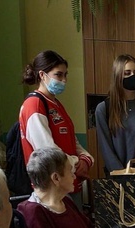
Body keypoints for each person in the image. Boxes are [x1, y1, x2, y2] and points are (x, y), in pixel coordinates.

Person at [19, 50, 94, 196]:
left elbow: (73, 141)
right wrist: (76, 163)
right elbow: (48, 151)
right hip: (52, 189)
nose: (64, 80)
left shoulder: (55, 104)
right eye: (58, 75)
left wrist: (86, 159)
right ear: (42, 75)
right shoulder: (34, 105)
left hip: (69, 182)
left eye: (65, 75)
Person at [17, 147, 95, 228]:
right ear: (56, 178)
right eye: (70, 171)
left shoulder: (66, 200)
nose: (74, 177)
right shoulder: (34, 213)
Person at [95, 54, 135, 174]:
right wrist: (122, 174)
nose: (133, 76)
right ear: (117, 76)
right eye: (127, 73)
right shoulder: (104, 109)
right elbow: (106, 148)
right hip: (116, 176)